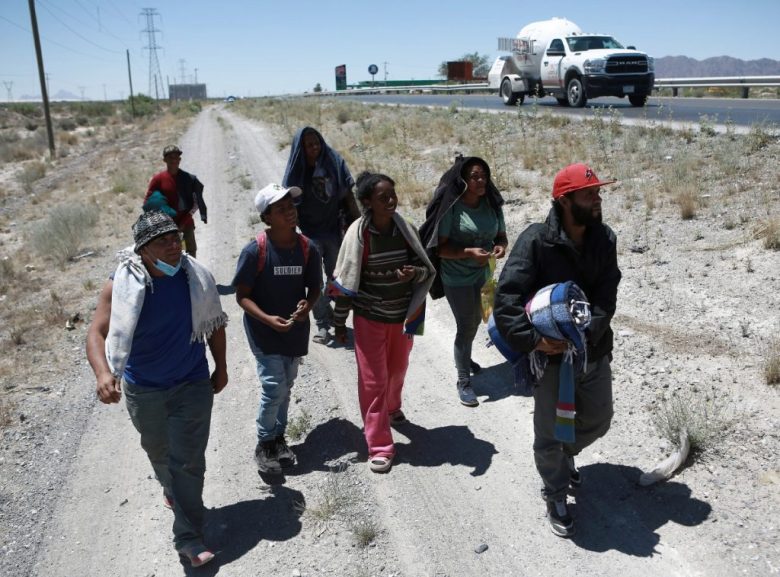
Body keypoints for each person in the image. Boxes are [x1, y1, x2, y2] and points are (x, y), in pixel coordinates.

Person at [85, 210, 228, 567]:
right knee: (159, 452)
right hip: (143, 388)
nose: (173, 246)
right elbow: (96, 333)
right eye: (162, 241)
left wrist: (221, 366)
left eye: (176, 238)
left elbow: (215, 324)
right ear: (143, 249)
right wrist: (104, 373)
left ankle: (189, 537)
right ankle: (172, 490)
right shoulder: (121, 283)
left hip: (192, 381)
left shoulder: (195, 277)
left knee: (189, 463)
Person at [493, 162, 621, 538]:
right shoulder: (535, 241)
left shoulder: (605, 239)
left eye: (598, 192)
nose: (597, 200)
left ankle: (564, 459)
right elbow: (506, 300)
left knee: (599, 418)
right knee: (550, 432)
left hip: (591, 351)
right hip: (547, 357)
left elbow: (606, 295)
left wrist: (585, 336)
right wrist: (536, 341)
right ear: (565, 201)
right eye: (589, 194)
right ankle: (556, 491)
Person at [330, 172, 435, 473]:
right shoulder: (358, 236)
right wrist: (340, 323)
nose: (391, 201)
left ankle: (392, 407)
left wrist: (411, 274)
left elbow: (423, 266)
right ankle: (379, 445)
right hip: (370, 318)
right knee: (373, 380)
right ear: (366, 203)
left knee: (398, 369)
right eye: (383, 197)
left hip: (402, 316)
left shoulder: (405, 229)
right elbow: (346, 281)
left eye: (393, 194)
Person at [231, 183, 322, 475]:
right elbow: (242, 296)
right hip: (264, 331)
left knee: (287, 385)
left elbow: (315, 287)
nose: (289, 213)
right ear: (266, 217)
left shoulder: (308, 248)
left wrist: (308, 305)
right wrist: (268, 319)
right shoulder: (255, 251)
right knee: (274, 387)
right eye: (280, 209)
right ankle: (264, 443)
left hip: (294, 331)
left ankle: (279, 438)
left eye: (290, 206)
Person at [418, 156, 508, 407]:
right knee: (466, 324)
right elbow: (441, 249)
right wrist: (468, 252)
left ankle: (464, 357)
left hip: (484, 275)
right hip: (456, 277)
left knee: (479, 319)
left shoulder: (492, 205)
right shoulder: (453, 208)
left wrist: (500, 248)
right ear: (463, 181)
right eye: (474, 177)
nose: (481, 181)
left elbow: (501, 237)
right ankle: (463, 381)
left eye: (484, 176)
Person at [282, 127, 361, 344]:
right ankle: (323, 324)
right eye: (309, 145)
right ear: (301, 148)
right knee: (315, 280)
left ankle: (338, 319)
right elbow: (288, 205)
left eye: (316, 142)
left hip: (335, 230)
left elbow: (347, 195)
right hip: (310, 232)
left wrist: (358, 225)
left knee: (337, 277)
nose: (314, 147)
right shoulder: (296, 170)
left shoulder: (333, 161)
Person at [144, 145, 207, 259]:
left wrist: (184, 221)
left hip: (186, 223)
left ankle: (191, 276)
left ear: (180, 159)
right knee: (170, 255)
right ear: (164, 160)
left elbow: (196, 202)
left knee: (191, 252)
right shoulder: (158, 179)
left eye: (176, 157)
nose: (173, 160)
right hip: (166, 226)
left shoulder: (189, 178)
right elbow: (149, 202)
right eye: (170, 157)